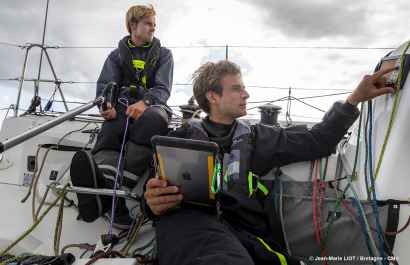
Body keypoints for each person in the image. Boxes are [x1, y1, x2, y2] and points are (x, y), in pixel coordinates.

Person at [140, 60, 397, 264]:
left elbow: (319, 141)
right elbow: (151, 195)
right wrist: (152, 204)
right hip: (188, 224)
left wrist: (353, 100)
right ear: (213, 97)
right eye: (237, 88)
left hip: (245, 233)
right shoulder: (176, 140)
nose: (247, 94)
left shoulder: (260, 137)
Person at [70, 4, 174, 229]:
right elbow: (105, 88)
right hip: (122, 106)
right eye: (148, 24)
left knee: (154, 121)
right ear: (133, 25)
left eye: (154, 25)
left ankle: (112, 192)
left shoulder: (164, 55)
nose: (153, 29)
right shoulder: (116, 56)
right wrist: (106, 106)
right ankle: (109, 195)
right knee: (111, 127)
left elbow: (163, 89)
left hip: (152, 106)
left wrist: (144, 102)